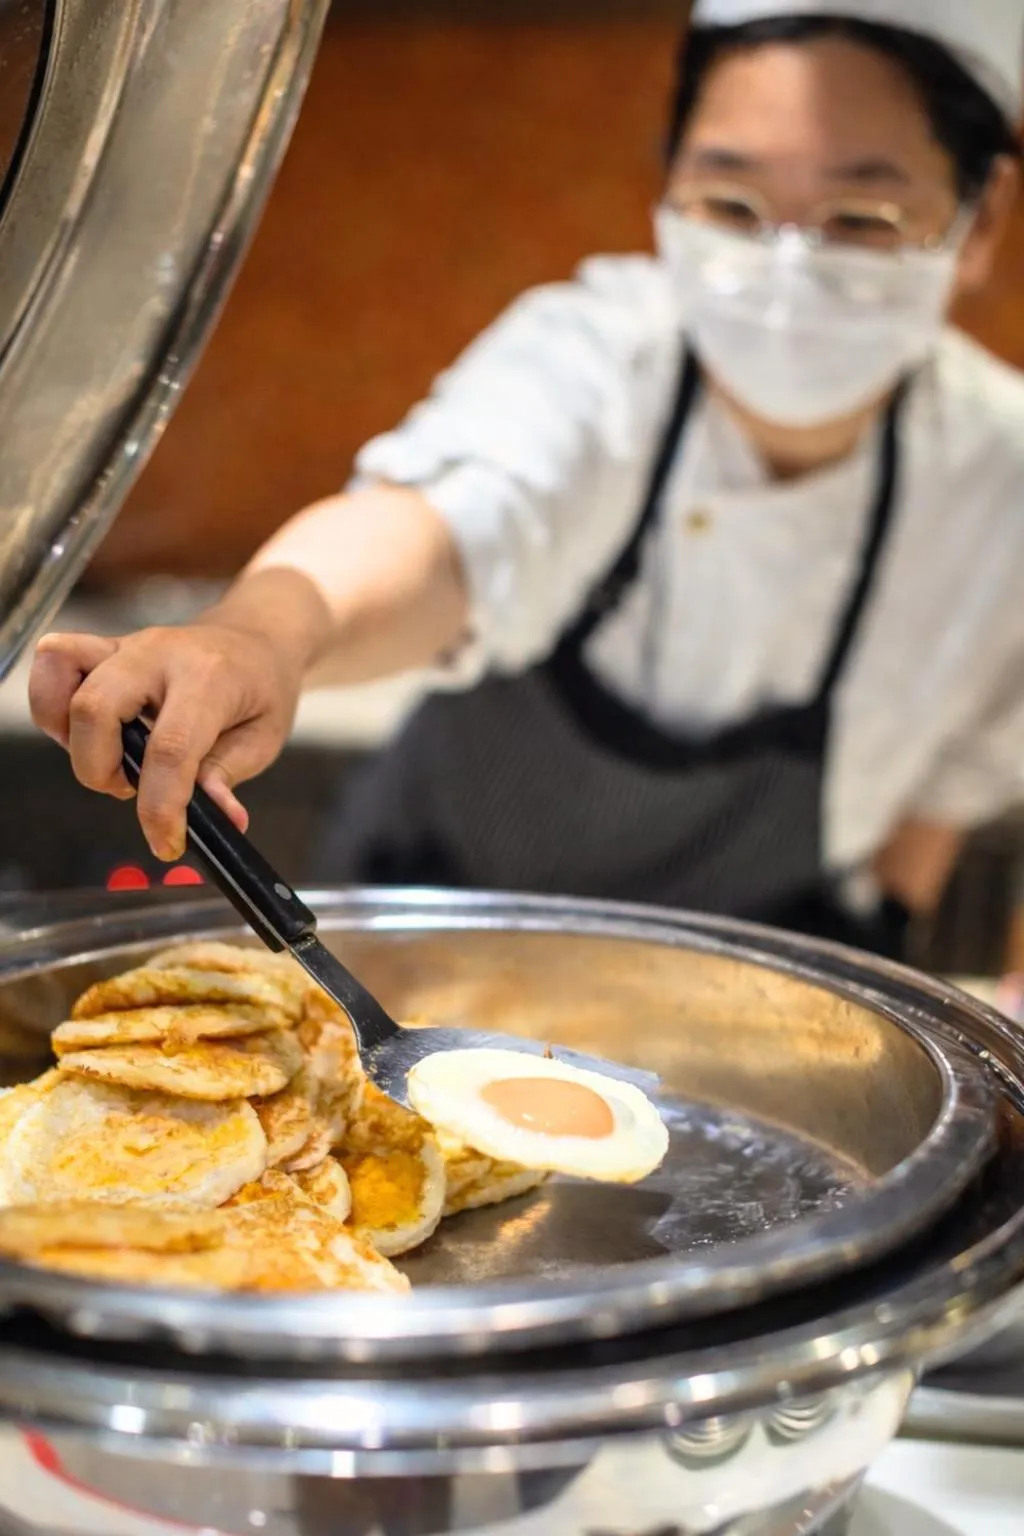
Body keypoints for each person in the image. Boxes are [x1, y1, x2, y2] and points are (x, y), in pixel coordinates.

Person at [28, 0, 1024, 960]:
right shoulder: (595, 359)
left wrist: (884, 938)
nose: (787, 263)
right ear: (668, 191)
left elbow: (953, 782)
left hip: (759, 1006)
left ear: (979, 222)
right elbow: (436, 531)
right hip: (437, 949)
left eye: (861, 217)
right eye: (731, 202)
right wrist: (261, 634)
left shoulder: (999, 474)